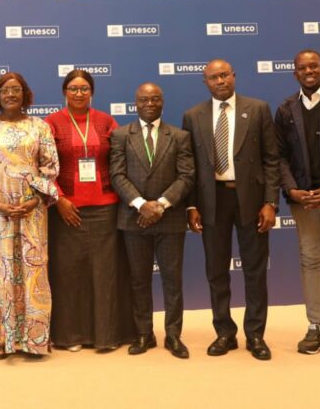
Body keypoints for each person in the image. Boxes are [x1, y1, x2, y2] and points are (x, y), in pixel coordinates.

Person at [183, 59, 280, 361]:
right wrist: (191, 205)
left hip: (251, 199)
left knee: (254, 269)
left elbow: (271, 159)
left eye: (224, 75)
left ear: (234, 76)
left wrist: (270, 202)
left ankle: (255, 334)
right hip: (212, 200)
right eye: (213, 77)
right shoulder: (193, 116)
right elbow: (189, 166)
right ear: (205, 82)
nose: (220, 81)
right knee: (216, 270)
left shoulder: (258, 109)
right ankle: (224, 332)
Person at [45, 69, 133, 353]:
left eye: (84, 88)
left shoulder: (106, 121)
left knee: (104, 274)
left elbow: (120, 162)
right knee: (69, 274)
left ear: (91, 92)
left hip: (105, 209)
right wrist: (59, 199)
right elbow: (42, 167)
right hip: (65, 210)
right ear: (64, 92)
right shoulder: (51, 123)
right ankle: (70, 335)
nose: (79, 93)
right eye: (73, 88)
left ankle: (105, 336)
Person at [0, 71, 59, 358]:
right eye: (5, 90)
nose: (10, 94)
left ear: (25, 95)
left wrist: (35, 200)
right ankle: (3, 339)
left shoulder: (40, 127)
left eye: (16, 89)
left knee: (34, 273)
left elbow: (50, 167)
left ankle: (35, 339)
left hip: (33, 211)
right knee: (3, 273)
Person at [110, 83, 194, 358]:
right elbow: (117, 175)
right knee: (138, 280)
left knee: (173, 281)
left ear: (162, 102)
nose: (149, 103)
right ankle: (144, 334)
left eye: (155, 99)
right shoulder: (121, 135)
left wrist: (160, 206)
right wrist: (141, 205)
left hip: (169, 219)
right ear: (135, 103)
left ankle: (173, 335)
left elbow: (186, 176)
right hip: (133, 218)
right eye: (144, 99)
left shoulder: (179, 136)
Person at [275, 49, 320, 354]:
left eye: (314, 66)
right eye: (302, 68)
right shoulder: (285, 110)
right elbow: (279, 157)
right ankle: (317, 325)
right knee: (312, 260)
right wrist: (292, 190)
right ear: (295, 74)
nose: (309, 71)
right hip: (304, 200)